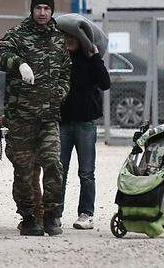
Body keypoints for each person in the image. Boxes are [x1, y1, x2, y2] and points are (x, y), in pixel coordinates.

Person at [0, 0, 71, 236]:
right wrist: (19, 63)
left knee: (53, 164)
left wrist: (60, 92)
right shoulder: (17, 35)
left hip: (48, 117)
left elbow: (66, 72)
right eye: (39, 8)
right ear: (32, 9)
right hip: (21, 118)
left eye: (47, 8)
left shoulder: (58, 39)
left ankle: (50, 215)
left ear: (52, 10)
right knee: (24, 170)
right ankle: (28, 217)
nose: (43, 13)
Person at [54, 31, 110, 230]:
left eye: (73, 37)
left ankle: (86, 214)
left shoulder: (90, 60)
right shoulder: (59, 59)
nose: (69, 40)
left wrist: (95, 58)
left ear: (81, 40)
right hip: (64, 122)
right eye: (66, 37)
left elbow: (105, 83)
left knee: (86, 172)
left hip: (86, 124)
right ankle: (55, 213)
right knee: (59, 170)